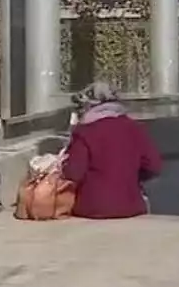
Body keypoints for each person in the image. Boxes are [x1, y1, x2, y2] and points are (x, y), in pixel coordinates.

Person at [61, 82, 162, 219]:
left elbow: (73, 173)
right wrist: (129, 177)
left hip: (93, 208)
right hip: (132, 207)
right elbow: (154, 166)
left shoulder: (85, 132)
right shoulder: (134, 127)